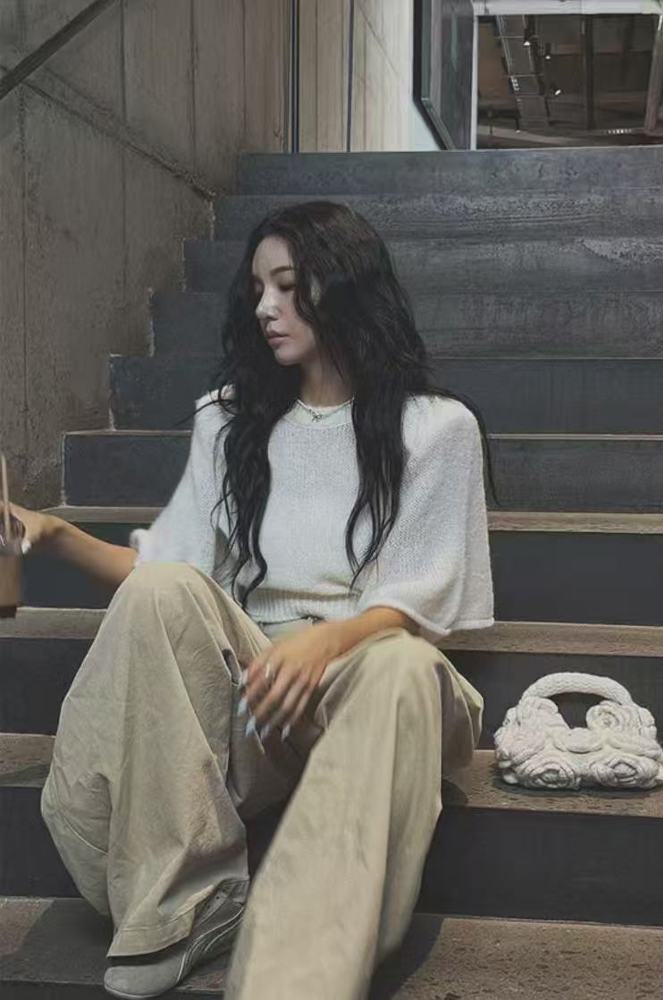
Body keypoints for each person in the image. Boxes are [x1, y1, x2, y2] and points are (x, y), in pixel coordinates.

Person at [4, 200, 498, 1000]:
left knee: (402, 667)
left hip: (371, 678)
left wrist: (326, 641)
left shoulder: (436, 428)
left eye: (289, 286)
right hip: (256, 692)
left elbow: (424, 599)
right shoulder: (229, 419)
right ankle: (183, 906)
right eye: (258, 288)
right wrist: (53, 534)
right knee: (161, 591)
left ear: (345, 286)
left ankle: (293, 977)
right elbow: (172, 574)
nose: (266, 307)